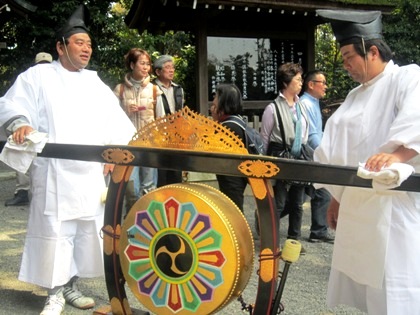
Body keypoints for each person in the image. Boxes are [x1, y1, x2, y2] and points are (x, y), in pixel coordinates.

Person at [0, 5, 136, 315]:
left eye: (88, 44)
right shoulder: (39, 76)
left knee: (84, 229)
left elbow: (116, 123)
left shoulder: (94, 83)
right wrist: (21, 122)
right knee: (55, 230)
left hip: (88, 173)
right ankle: (55, 292)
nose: (87, 49)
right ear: (61, 47)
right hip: (55, 172)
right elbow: (12, 104)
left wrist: (114, 154)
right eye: (79, 43)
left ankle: (72, 285)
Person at [315, 9, 420, 314]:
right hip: (359, 206)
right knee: (369, 286)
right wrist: (337, 198)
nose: (345, 64)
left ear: (372, 51)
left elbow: (417, 117)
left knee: (396, 286)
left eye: (349, 56)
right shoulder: (354, 95)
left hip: (393, 207)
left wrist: (398, 154)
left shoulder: (406, 77)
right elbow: (341, 148)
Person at [260, 62, 310, 255]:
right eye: (297, 79)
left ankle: (294, 241)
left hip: (300, 156)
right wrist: (264, 164)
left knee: (297, 203)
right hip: (280, 156)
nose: (301, 83)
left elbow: (306, 131)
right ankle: (272, 240)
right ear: (286, 82)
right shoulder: (272, 108)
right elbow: (265, 137)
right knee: (279, 202)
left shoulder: (301, 105)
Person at [4, 52, 53, 207]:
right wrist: (20, 124)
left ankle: (31, 192)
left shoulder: (60, 83)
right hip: (30, 131)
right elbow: (14, 104)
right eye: (41, 64)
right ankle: (23, 191)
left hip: (52, 135)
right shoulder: (29, 79)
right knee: (22, 152)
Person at [114, 48, 158, 213]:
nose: (146, 67)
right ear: (132, 65)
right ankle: (132, 223)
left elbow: (161, 120)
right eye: (142, 63)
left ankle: (149, 224)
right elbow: (110, 119)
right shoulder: (120, 90)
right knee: (131, 188)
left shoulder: (154, 90)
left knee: (149, 187)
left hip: (150, 144)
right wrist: (126, 111)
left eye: (148, 64)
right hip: (128, 145)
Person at [299, 70, 334, 243]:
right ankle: (318, 231)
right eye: (323, 82)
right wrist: (323, 154)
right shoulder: (306, 103)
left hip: (315, 153)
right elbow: (311, 135)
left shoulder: (312, 103)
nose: (325, 86)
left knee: (311, 192)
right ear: (311, 84)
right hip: (311, 154)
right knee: (317, 191)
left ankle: (319, 231)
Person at [210, 83, 248, 212]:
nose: (213, 100)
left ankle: (238, 233)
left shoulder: (229, 127)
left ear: (224, 100)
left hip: (232, 179)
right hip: (235, 178)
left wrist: (215, 118)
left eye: (216, 97)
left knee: (233, 212)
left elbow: (211, 147)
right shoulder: (235, 120)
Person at [152, 54, 184, 187]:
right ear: (158, 71)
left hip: (175, 136)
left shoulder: (178, 89)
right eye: (167, 67)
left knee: (175, 171)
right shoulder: (151, 88)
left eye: (173, 67)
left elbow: (181, 111)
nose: (171, 70)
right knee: (161, 173)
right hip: (158, 135)